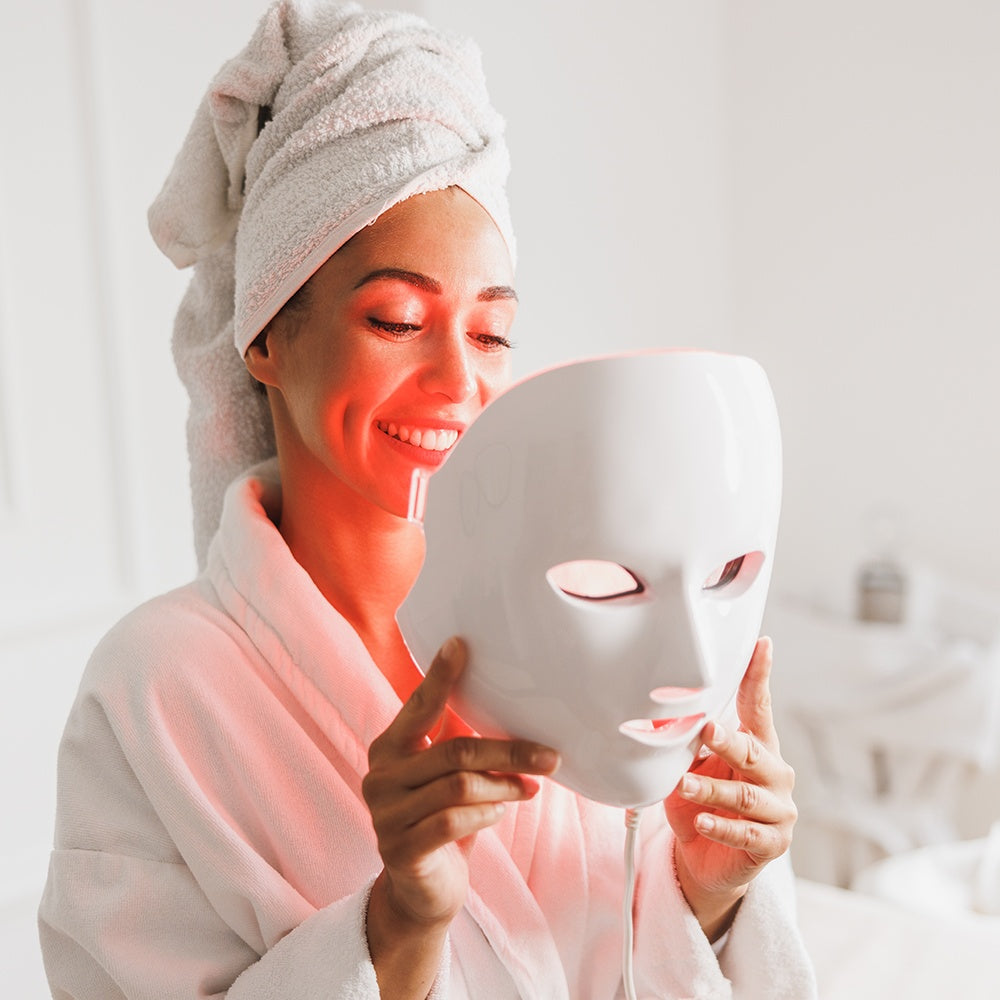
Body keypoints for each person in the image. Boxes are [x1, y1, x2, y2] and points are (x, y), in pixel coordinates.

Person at [38, 3, 817, 997]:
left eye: (490, 334)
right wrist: (395, 923)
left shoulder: (593, 597)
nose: (459, 384)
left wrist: (708, 893)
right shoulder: (156, 688)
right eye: (398, 319)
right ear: (266, 336)